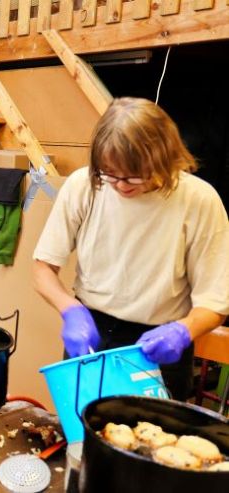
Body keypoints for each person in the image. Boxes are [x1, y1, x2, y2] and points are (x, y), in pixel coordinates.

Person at [33, 97, 228, 401]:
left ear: (166, 159)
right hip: (93, 331)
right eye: (110, 173)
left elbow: (215, 302)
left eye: (135, 175)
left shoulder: (199, 200)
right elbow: (43, 268)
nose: (122, 185)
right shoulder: (84, 185)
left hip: (159, 344)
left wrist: (184, 330)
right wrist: (70, 310)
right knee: (79, 425)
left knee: (153, 431)